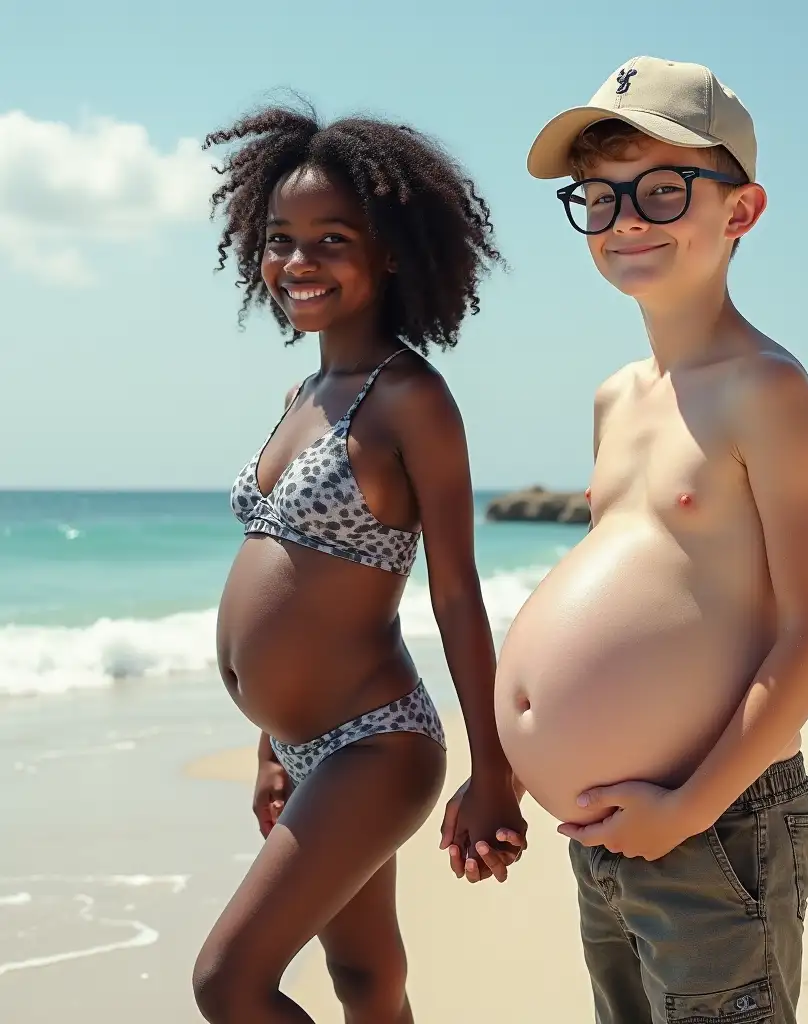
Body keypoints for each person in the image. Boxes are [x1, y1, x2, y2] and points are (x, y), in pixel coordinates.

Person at [441, 57, 808, 1023]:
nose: (626, 217)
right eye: (599, 195)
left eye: (663, 191)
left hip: (717, 823)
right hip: (610, 835)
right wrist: (502, 767)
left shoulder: (767, 388)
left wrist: (693, 807)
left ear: (739, 213)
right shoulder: (616, 398)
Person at [193, 105, 526, 1024]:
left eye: (330, 240)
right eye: (281, 240)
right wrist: (270, 745)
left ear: (387, 253)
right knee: (367, 984)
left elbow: (456, 595)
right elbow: (295, 592)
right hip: (306, 752)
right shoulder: (304, 392)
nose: (298, 262)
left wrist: (495, 771)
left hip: (375, 746)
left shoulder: (411, 398)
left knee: (228, 984)